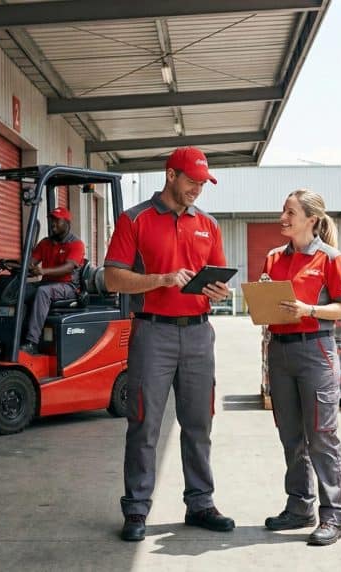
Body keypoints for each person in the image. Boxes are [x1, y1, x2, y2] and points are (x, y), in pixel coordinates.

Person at [103, 147, 235, 542]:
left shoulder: (208, 225)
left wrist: (219, 292)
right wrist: (159, 279)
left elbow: (221, 285)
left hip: (198, 333)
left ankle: (200, 503)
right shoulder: (134, 220)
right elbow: (112, 278)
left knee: (199, 422)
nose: (197, 189)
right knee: (144, 423)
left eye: (202, 183)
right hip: (152, 333)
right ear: (171, 175)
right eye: (192, 181)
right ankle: (137, 510)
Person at [260, 189, 341, 546]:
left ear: (311, 219)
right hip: (280, 352)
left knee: (321, 436)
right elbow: (266, 303)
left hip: (316, 350)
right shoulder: (273, 258)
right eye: (283, 210)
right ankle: (300, 507)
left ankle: (333, 517)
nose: (283, 217)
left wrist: (308, 309)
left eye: (290, 212)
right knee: (291, 436)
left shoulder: (329, 259)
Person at [18, 207, 85, 354]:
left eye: (56, 220)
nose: (52, 224)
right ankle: (13, 336)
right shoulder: (45, 243)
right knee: (18, 289)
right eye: (51, 220)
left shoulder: (76, 244)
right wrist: (21, 266)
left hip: (68, 286)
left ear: (67, 223)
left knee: (43, 292)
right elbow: (32, 262)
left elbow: (68, 268)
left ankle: (31, 342)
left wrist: (43, 271)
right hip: (48, 284)